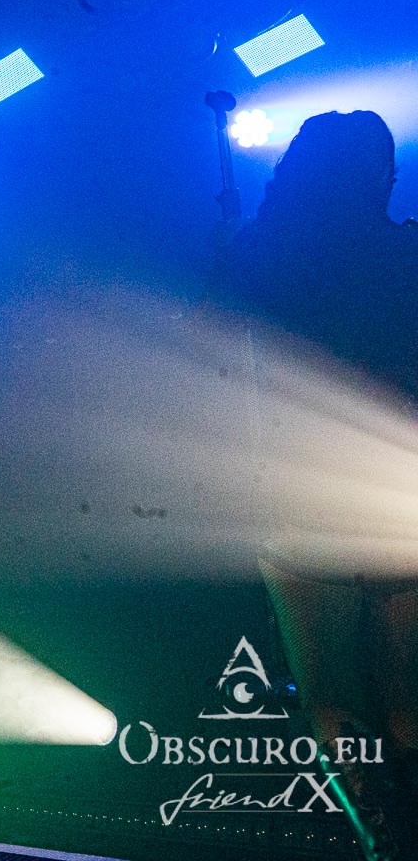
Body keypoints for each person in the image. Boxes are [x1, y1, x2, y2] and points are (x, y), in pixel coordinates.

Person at [214, 111, 418, 861]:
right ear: (380, 175)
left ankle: (385, 841)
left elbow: (212, 354)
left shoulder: (258, 255)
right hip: (400, 492)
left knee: (332, 697)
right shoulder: (408, 252)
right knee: (409, 698)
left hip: (298, 495)